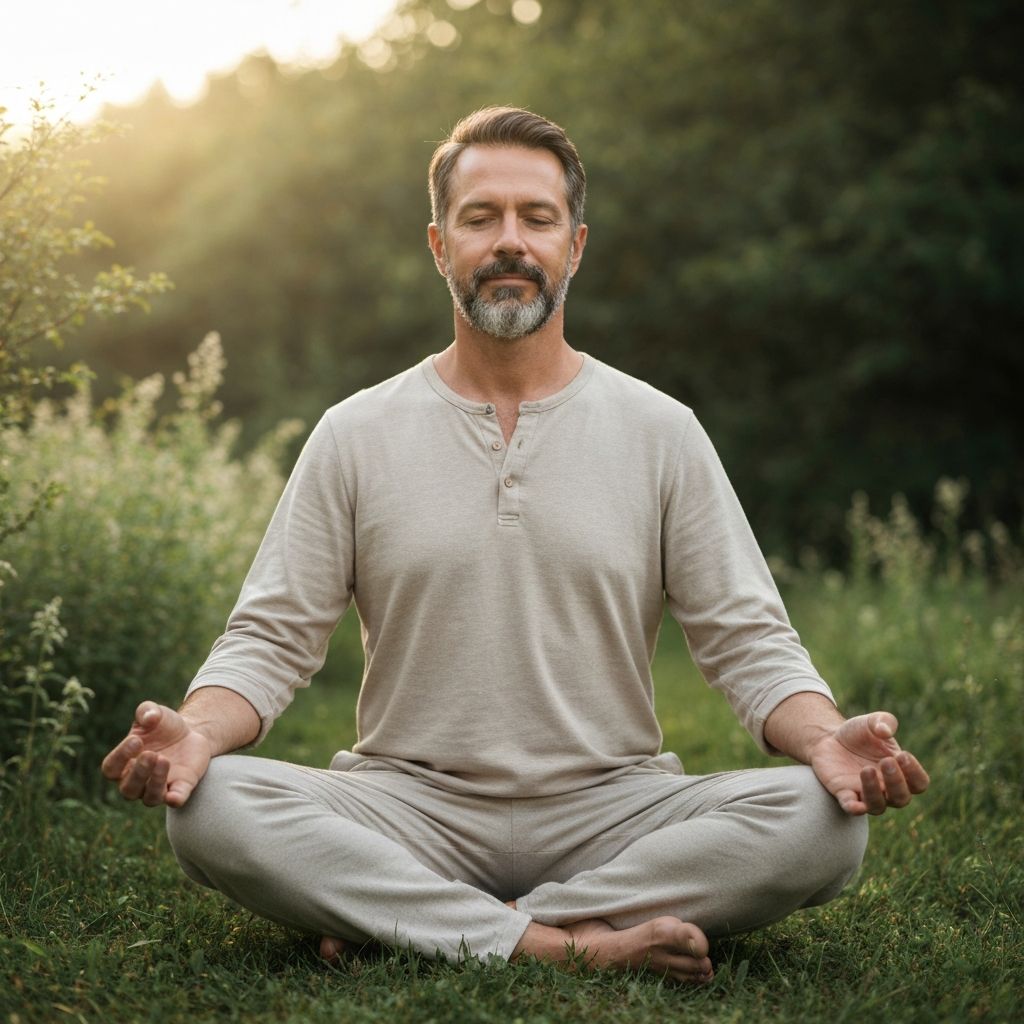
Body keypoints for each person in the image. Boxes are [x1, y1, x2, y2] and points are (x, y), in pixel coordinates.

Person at [101, 107, 929, 984]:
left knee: (823, 821)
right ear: (437, 244)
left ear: (575, 245)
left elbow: (746, 638)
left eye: (536, 219)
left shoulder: (662, 430)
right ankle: (574, 940)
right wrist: (193, 730)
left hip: (614, 806)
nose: (510, 241)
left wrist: (826, 735)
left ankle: (412, 920)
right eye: (479, 217)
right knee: (212, 807)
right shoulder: (355, 432)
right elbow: (271, 639)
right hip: (407, 804)